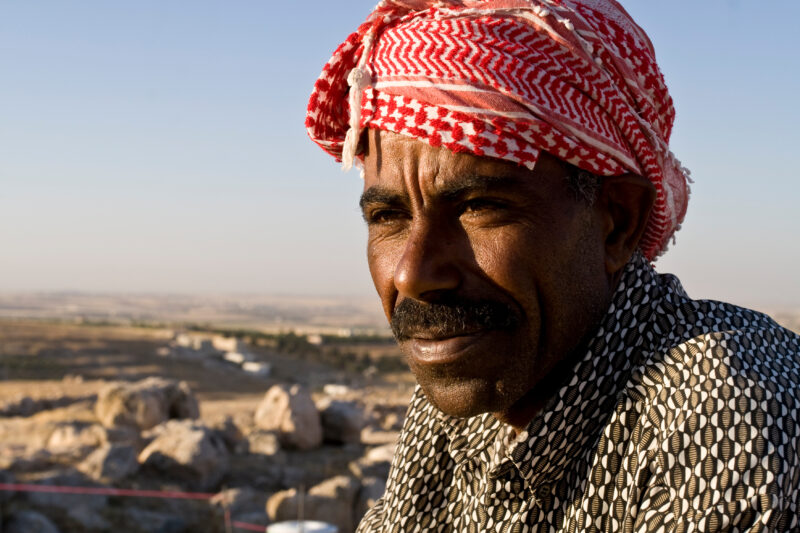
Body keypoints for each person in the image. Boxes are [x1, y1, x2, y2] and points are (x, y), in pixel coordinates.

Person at [306, 1, 800, 530]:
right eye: (388, 216)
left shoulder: (719, 406)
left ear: (616, 222)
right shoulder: (467, 393)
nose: (412, 275)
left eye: (480, 207)